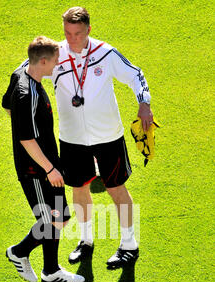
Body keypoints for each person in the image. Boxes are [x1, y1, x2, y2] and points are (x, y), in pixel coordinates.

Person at [51, 6, 154, 268]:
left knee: (115, 188)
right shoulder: (54, 54)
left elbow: (135, 75)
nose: (71, 39)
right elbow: (27, 71)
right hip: (72, 139)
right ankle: (86, 241)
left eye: (77, 33)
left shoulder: (105, 53)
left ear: (89, 30)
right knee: (79, 188)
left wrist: (144, 103)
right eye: (67, 33)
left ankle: (129, 244)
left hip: (108, 136)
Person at [2, 36, 84, 282]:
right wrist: (48, 169)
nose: (57, 65)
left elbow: (6, 105)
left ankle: (50, 271)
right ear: (44, 61)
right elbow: (27, 140)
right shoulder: (28, 95)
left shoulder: (22, 69)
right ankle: (19, 252)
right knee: (49, 220)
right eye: (55, 61)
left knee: (61, 217)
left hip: (48, 162)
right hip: (35, 170)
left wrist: (21, 122)